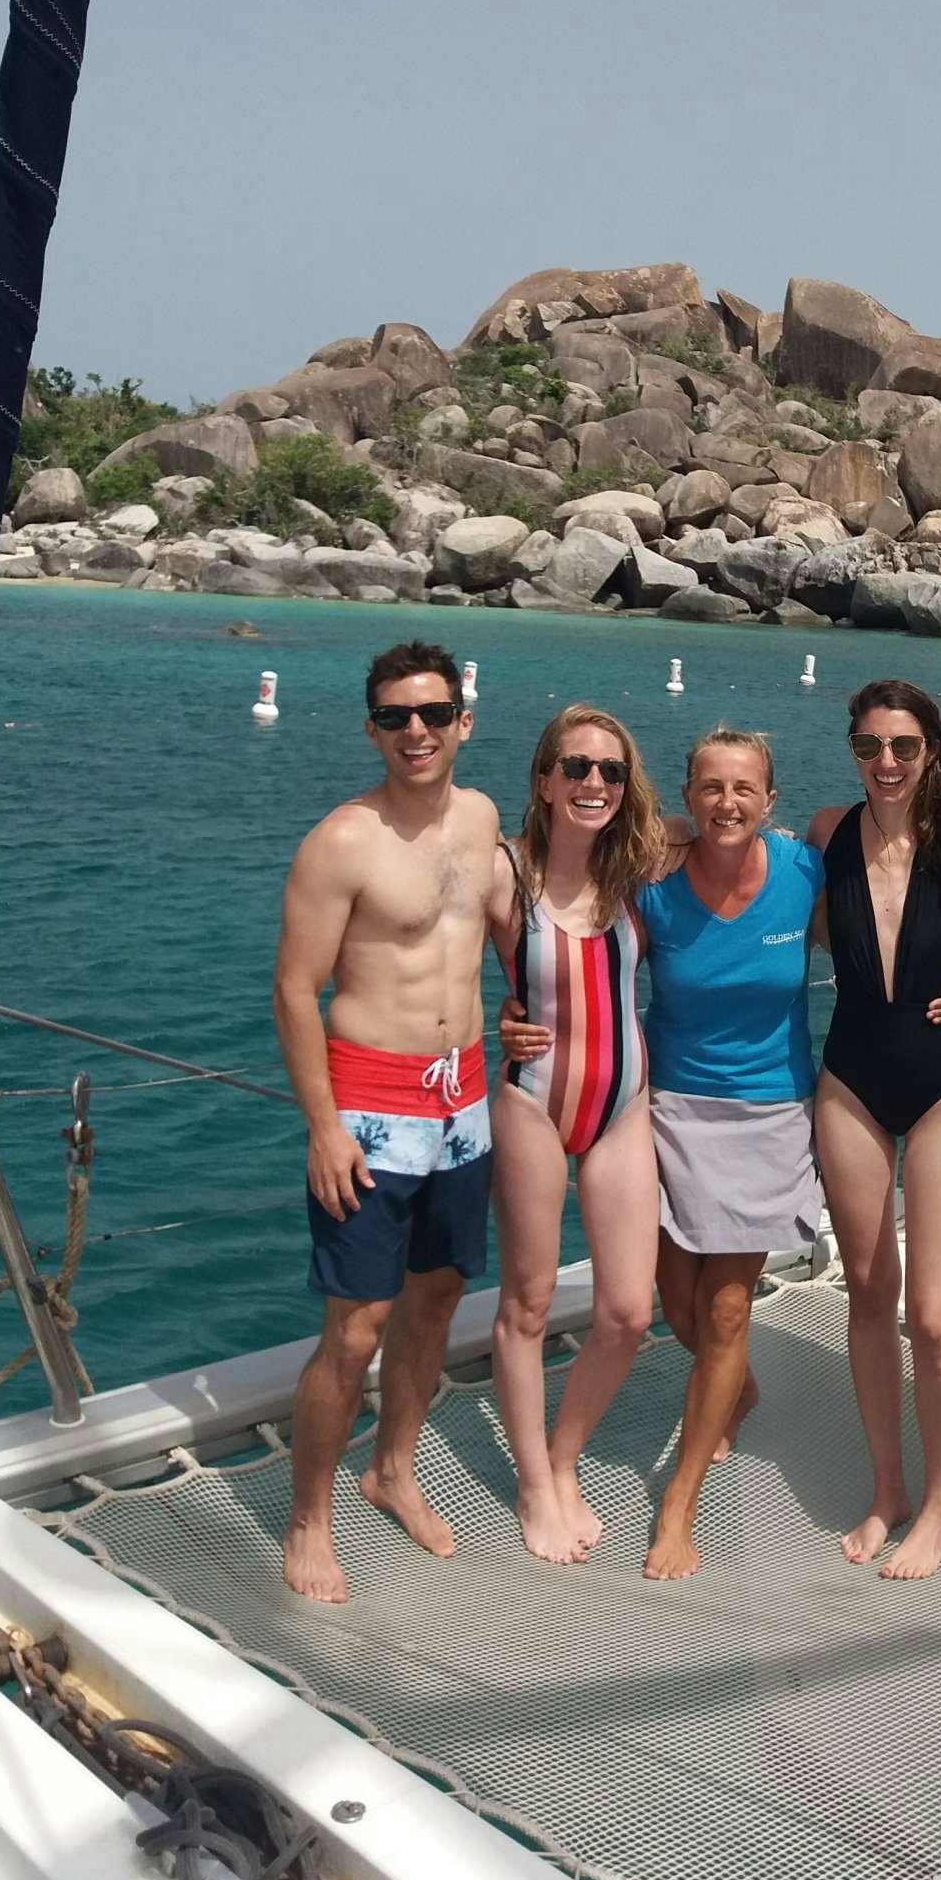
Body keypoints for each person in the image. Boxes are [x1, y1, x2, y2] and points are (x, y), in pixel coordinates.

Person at [273, 640, 498, 1604]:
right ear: (371, 729)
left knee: (437, 1296)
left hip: (465, 1100)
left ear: (463, 723)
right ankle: (309, 1519)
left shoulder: (483, 820)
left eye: (434, 714)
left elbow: (510, 926)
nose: (417, 731)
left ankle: (393, 1468)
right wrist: (324, 1126)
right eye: (396, 716)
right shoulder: (342, 841)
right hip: (370, 1107)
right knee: (355, 1327)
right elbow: (295, 988)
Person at [636, 728, 825, 1582]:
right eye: (711, 787)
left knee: (723, 1311)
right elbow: (577, 945)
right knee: (677, 1307)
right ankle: (736, 1388)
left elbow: (886, 930)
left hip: (770, 1111)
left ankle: (679, 1503)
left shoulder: (803, 872)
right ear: (687, 796)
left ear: (770, 801)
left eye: (745, 788)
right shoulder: (655, 881)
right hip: (672, 1110)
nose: (727, 802)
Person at [483, 706, 666, 1564]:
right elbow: (427, 956)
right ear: (545, 779)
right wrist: (489, 1020)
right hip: (532, 1102)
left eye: (612, 770)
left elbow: (738, 843)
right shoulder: (504, 874)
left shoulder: (639, 868)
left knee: (627, 1311)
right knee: (526, 1304)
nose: (595, 782)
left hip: (622, 1106)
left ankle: (562, 1460)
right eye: (578, 767)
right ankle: (533, 1485)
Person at [806, 680, 941, 1579]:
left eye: (904, 747)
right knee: (870, 1291)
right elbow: (739, 886)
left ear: (931, 752)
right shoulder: (826, 831)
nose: (887, 763)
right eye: (870, 746)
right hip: (851, 1080)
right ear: (853, 749)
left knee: (936, 1318)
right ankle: (889, 1490)